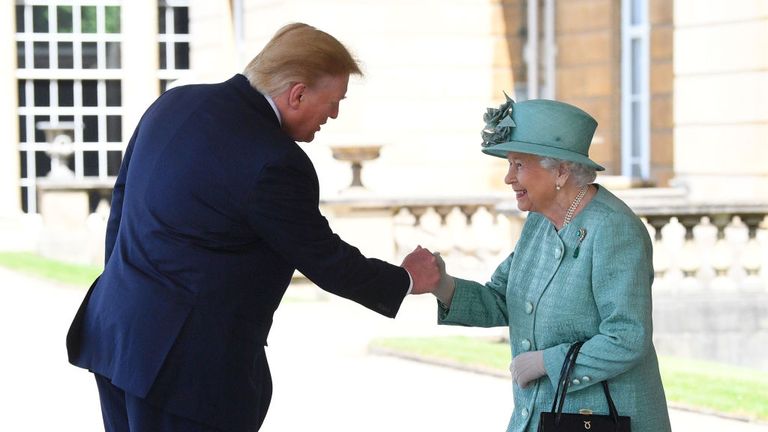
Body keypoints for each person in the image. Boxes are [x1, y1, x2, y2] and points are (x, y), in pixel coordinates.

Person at [66, 23, 439, 432]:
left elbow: (121, 206)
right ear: (297, 93)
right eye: (334, 102)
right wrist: (406, 279)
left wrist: (129, 293)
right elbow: (325, 259)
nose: (334, 115)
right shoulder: (276, 161)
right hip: (185, 374)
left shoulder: (173, 103)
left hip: (115, 334)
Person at [430, 95, 671, 432]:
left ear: (559, 170)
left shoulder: (614, 229)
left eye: (518, 165)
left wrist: (547, 362)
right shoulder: (540, 223)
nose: (508, 178)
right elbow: (503, 298)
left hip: (600, 420)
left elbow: (627, 337)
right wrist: (442, 285)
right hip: (539, 416)